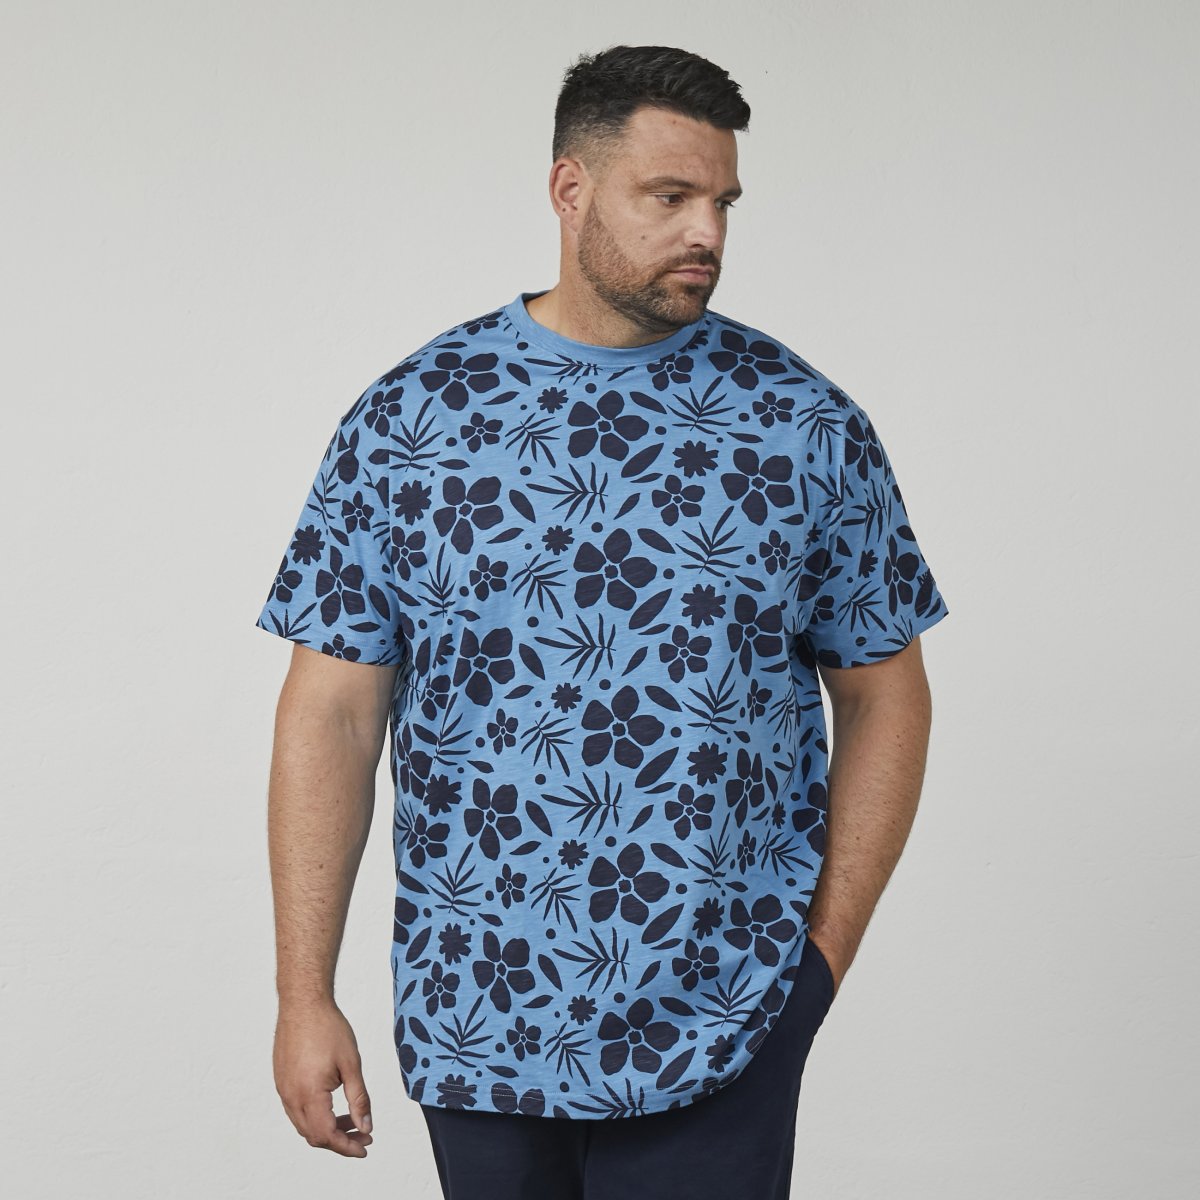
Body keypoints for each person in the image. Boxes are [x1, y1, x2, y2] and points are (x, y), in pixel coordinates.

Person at [255, 42, 949, 1200]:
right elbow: (330, 712)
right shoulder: (414, 420)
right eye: (669, 197)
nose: (706, 233)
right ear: (569, 188)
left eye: (722, 202)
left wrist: (817, 964)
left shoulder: (803, 426)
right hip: (478, 1018)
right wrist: (302, 993)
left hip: (725, 1019)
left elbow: (887, 692)